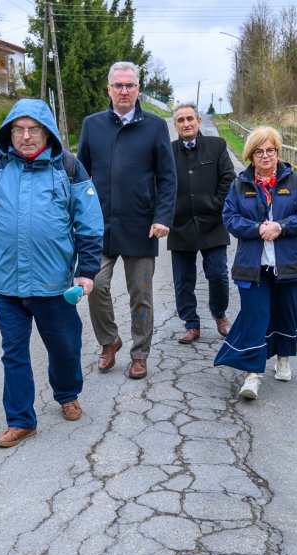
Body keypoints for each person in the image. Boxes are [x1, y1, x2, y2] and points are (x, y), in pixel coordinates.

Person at [0, 99, 103, 448]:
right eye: (18, 129)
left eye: (33, 129)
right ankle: (20, 420)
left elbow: (90, 223)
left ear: (47, 132)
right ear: (9, 132)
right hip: (6, 283)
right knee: (13, 352)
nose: (26, 136)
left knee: (64, 346)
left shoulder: (68, 167)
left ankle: (67, 394)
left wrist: (86, 271)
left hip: (54, 284)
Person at [77, 61, 177, 379]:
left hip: (141, 226)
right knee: (95, 285)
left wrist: (162, 217)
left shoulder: (155, 127)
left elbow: (168, 177)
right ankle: (109, 341)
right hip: (100, 227)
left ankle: (139, 355)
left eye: (130, 85)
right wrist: (78, 217)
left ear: (138, 89)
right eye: (118, 85)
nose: (124, 90)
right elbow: (80, 176)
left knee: (141, 296)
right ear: (109, 89)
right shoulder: (92, 125)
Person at [214, 127, 297, 400]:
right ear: (251, 155)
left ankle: (283, 357)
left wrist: (281, 227)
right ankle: (252, 375)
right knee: (255, 317)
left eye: (270, 150)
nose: (265, 156)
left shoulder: (294, 181)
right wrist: (257, 228)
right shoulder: (239, 185)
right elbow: (229, 218)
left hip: (289, 264)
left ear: (277, 152)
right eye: (258, 151)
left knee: (286, 313)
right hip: (252, 266)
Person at [168, 102, 237, 344]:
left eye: (190, 118)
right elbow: (160, 183)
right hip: (180, 225)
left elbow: (229, 178)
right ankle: (191, 323)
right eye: (180, 120)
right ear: (175, 125)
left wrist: (216, 204)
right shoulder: (168, 151)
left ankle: (220, 315)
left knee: (218, 274)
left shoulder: (217, 145)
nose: (186, 124)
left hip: (212, 223)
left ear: (198, 121)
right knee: (183, 280)